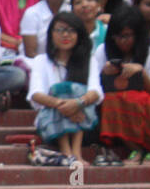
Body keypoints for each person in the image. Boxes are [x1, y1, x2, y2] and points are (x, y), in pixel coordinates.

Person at [93, 5, 150, 166]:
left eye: (127, 36)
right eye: (117, 36)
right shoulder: (102, 51)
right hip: (113, 112)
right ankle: (136, 150)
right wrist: (105, 75)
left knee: (135, 97)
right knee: (114, 98)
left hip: (147, 113)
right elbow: (95, 91)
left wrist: (141, 72)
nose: (122, 41)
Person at [27, 11, 102, 167]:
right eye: (60, 30)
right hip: (51, 123)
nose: (65, 35)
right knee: (61, 89)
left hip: (84, 122)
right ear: (51, 34)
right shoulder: (41, 60)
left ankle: (76, 152)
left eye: (71, 30)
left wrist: (77, 103)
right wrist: (63, 105)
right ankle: (66, 151)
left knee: (79, 91)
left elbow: (96, 91)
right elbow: (35, 94)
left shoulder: (89, 60)